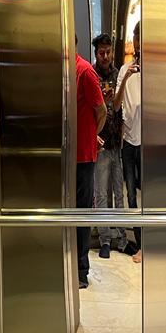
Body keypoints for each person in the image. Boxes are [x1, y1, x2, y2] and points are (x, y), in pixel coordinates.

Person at [92, 34, 128, 258]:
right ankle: (104, 240)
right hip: (100, 144)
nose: (105, 56)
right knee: (101, 195)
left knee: (119, 193)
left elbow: (118, 107)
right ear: (96, 53)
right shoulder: (91, 74)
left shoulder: (117, 74)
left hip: (116, 143)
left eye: (108, 52)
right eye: (101, 52)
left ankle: (122, 239)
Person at [76, 39, 106, 289]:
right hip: (66, 156)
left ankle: (80, 271)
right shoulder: (64, 72)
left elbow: (102, 110)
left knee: (81, 213)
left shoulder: (85, 71)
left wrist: (91, 135)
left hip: (83, 157)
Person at [115, 20, 142, 263]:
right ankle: (141, 244)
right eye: (136, 38)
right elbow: (116, 105)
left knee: (149, 194)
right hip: (129, 141)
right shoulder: (124, 70)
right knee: (131, 195)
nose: (138, 43)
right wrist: (126, 77)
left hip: (149, 142)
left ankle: (153, 243)